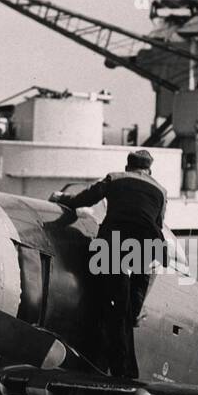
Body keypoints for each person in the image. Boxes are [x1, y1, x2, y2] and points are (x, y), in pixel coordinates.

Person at [52, 149, 168, 378]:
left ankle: (119, 369)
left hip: (114, 241)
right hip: (147, 244)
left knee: (114, 305)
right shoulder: (161, 191)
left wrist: (61, 198)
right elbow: (158, 223)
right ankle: (133, 321)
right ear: (149, 170)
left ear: (128, 167)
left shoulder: (115, 178)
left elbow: (84, 199)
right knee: (130, 305)